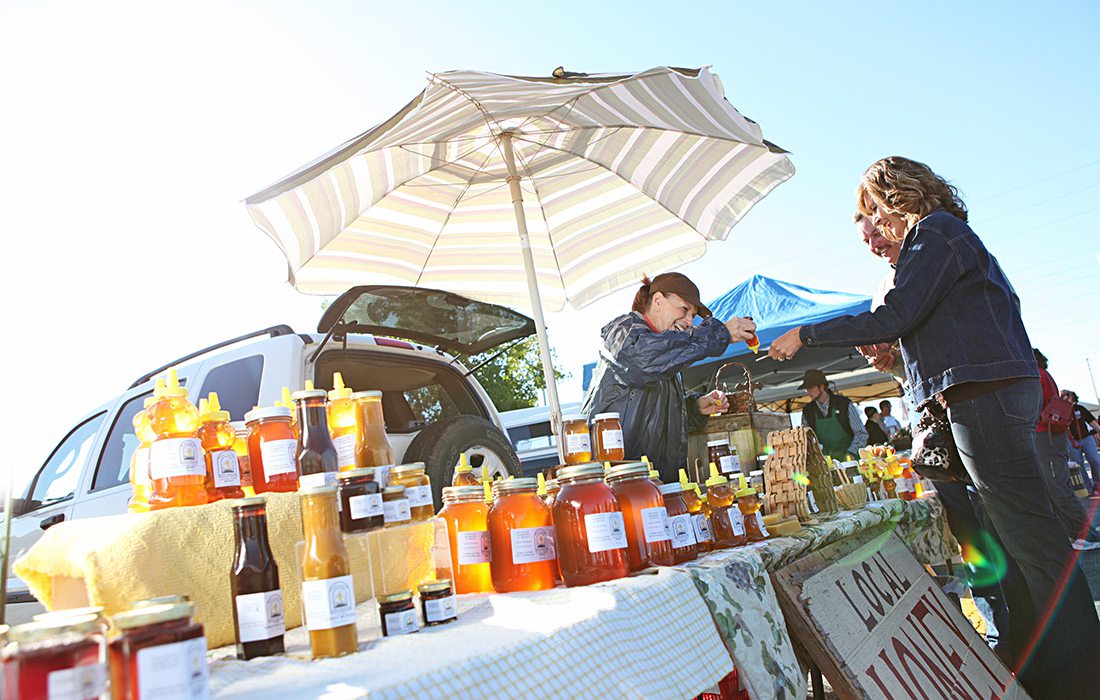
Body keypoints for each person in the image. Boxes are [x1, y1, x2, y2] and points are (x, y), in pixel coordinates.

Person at [766, 156, 1099, 698]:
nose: (875, 225)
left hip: (984, 399)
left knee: (1034, 545)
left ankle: (1081, 676)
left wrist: (806, 333)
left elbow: (896, 315)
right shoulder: (941, 239)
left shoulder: (935, 232)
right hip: (981, 397)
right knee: (1017, 544)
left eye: (875, 210)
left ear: (900, 194)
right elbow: (922, 327)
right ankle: (1041, 665)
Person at [582, 272, 756, 483]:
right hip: (621, 484)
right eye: (684, 309)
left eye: (693, 314)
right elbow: (642, 363)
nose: (689, 320)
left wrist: (694, 407)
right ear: (657, 301)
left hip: (658, 484)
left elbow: (658, 420)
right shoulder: (625, 332)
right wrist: (719, 333)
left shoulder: (667, 353)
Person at [1033, 348, 1099, 548]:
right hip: (1050, 435)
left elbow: (1033, 405)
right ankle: (1077, 533)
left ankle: (1086, 534)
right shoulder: (1043, 374)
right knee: (1055, 486)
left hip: (1046, 435)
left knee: (1056, 486)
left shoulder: (1037, 375)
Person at [798, 369, 868, 460]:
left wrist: (851, 452)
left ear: (822, 387)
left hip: (852, 461)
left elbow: (861, 433)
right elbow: (807, 440)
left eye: (810, 388)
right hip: (826, 464)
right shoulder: (807, 412)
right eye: (807, 389)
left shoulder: (844, 404)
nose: (808, 392)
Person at [1063, 389, 1100, 494]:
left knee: (1095, 460)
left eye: (1066, 395)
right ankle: (1088, 489)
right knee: (1079, 465)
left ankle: (1098, 484)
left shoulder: (1080, 409)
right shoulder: (1061, 410)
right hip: (1072, 441)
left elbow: (1092, 422)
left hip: (1086, 438)